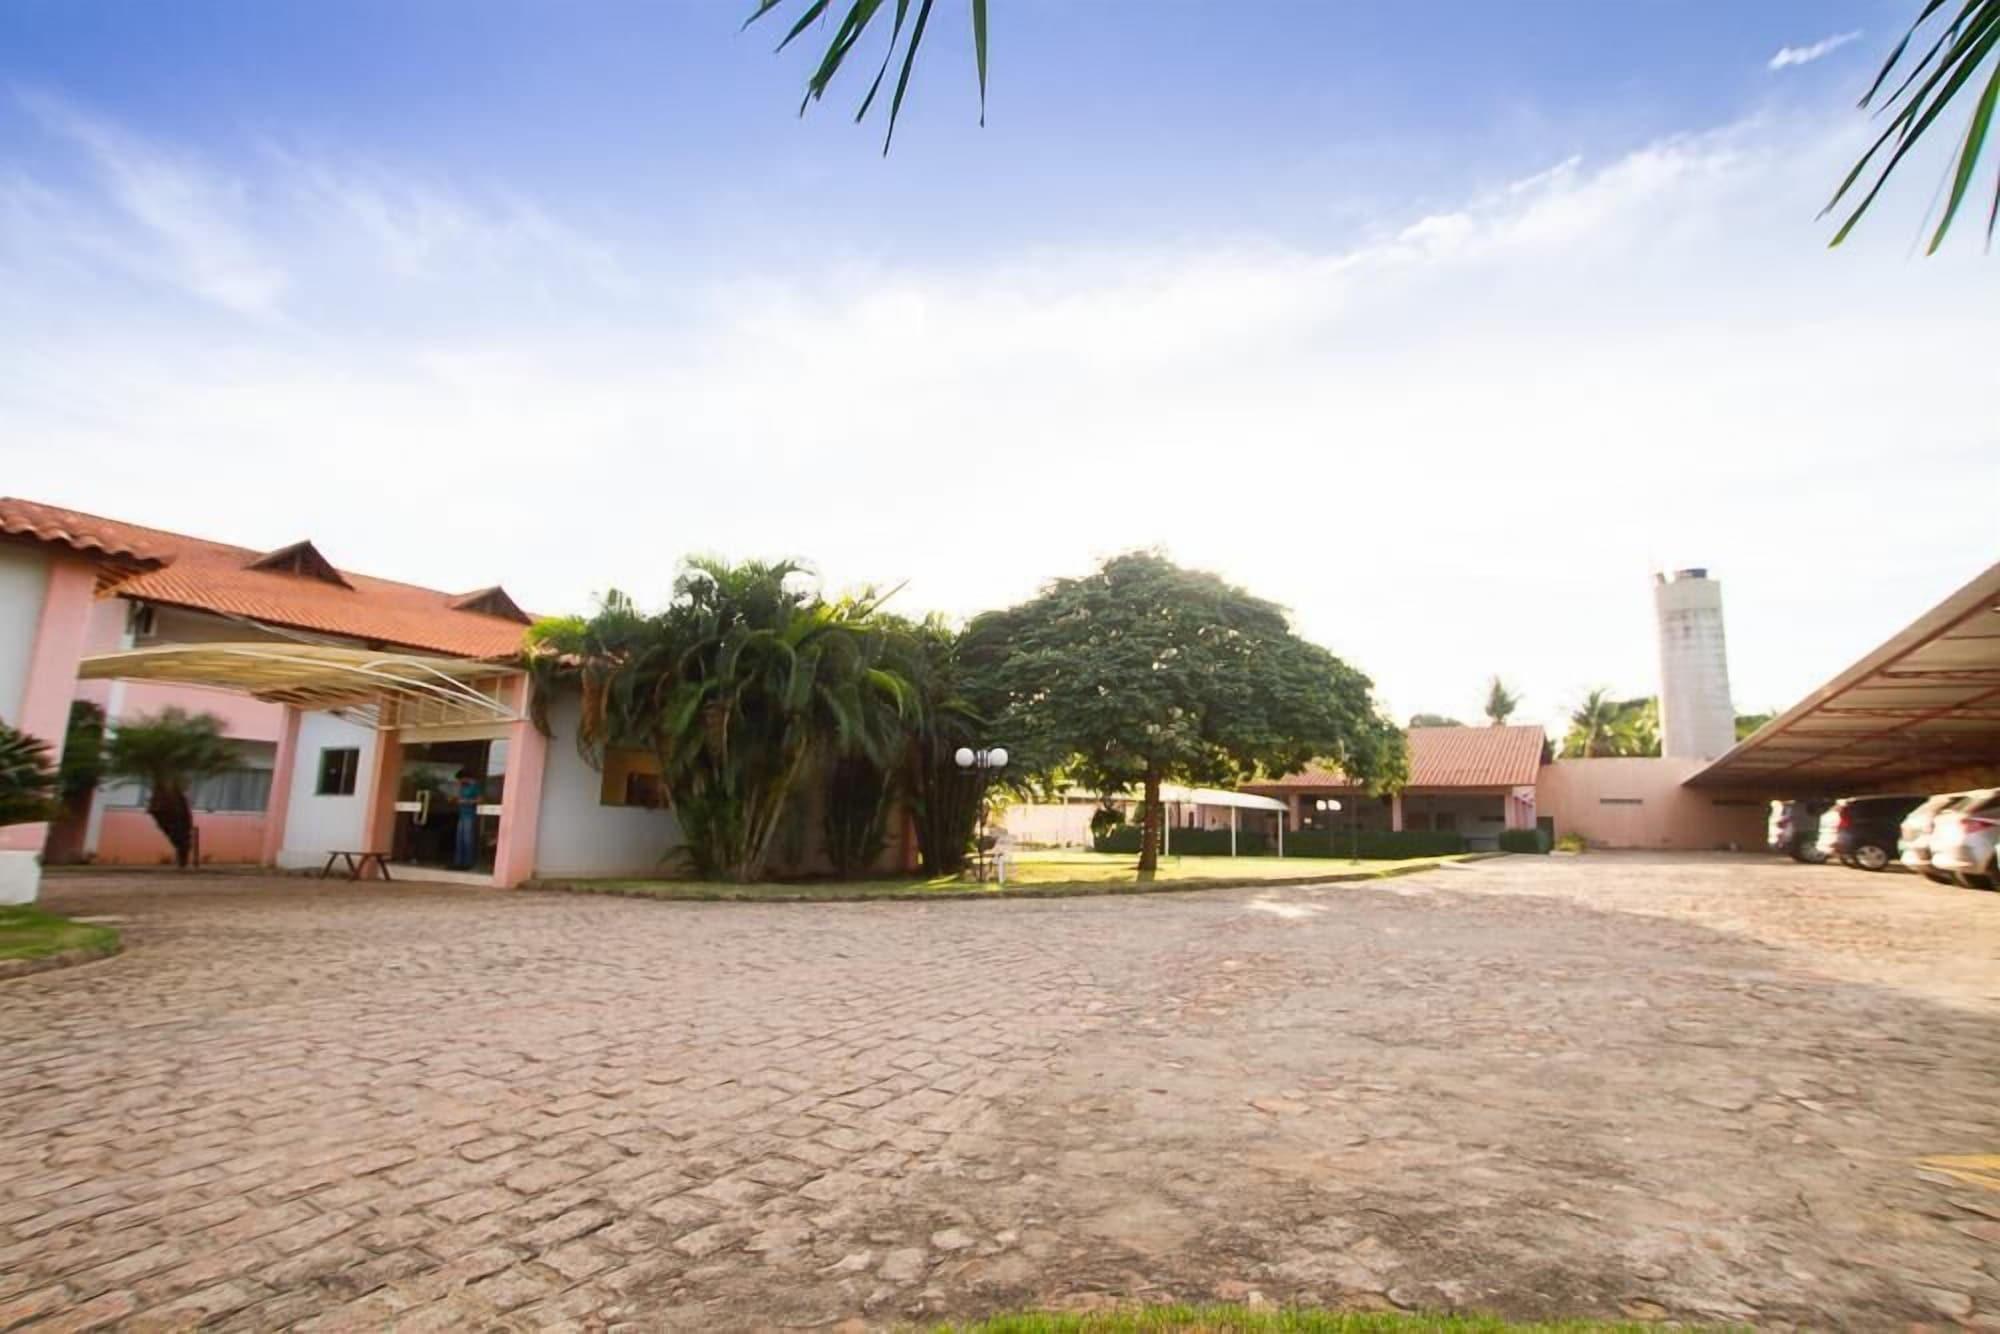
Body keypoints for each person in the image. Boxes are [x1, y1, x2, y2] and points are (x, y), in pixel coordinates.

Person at [451, 768, 483, 870]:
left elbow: (480, 800)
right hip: (462, 814)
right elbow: (458, 797)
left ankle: (467, 863)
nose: (459, 782)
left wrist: (466, 801)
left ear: (465, 778)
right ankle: (458, 862)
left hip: (470, 815)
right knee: (459, 839)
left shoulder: (475, 786)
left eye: (460, 779)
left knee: (467, 839)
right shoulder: (462, 787)